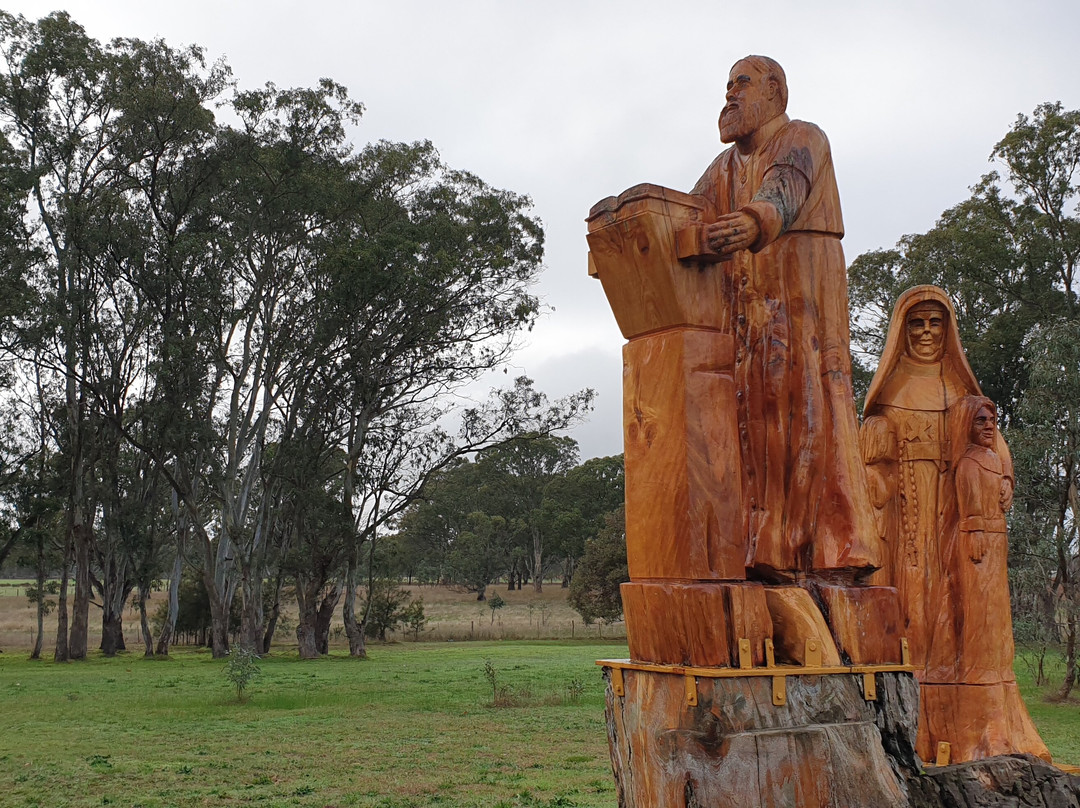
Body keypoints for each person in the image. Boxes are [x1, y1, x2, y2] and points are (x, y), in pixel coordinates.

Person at [690, 55, 878, 579]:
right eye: (727, 86)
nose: (729, 95)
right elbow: (688, 211)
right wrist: (637, 228)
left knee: (809, 408)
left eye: (741, 84)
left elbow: (783, 190)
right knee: (752, 419)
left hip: (803, 294)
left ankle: (819, 547)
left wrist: (755, 221)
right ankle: (761, 545)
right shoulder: (724, 167)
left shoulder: (802, 137)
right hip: (749, 310)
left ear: (774, 91)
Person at [861, 286, 1009, 670]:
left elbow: (990, 436)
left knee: (950, 583)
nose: (926, 332)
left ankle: (950, 666)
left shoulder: (958, 387)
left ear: (947, 329)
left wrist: (1005, 477)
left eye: (934, 323)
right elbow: (871, 453)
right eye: (917, 324)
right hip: (906, 506)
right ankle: (911, 662)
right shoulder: (891, 387)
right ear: (903, 330)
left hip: (952, 500)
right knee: (911, 582)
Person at [916, 395, 1049, 762]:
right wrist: (974, 532)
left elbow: (1002, 469)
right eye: (980, 420)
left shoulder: (992, 458)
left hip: (996, 538)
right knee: (979, 611)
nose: (989, 425)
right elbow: (968, 502)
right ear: (967, 426)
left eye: (991, 419)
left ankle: (992, 668)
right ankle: (976, 670)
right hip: (976, 542)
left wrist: (1007, 478)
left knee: (997, 612)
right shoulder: (969, 463)